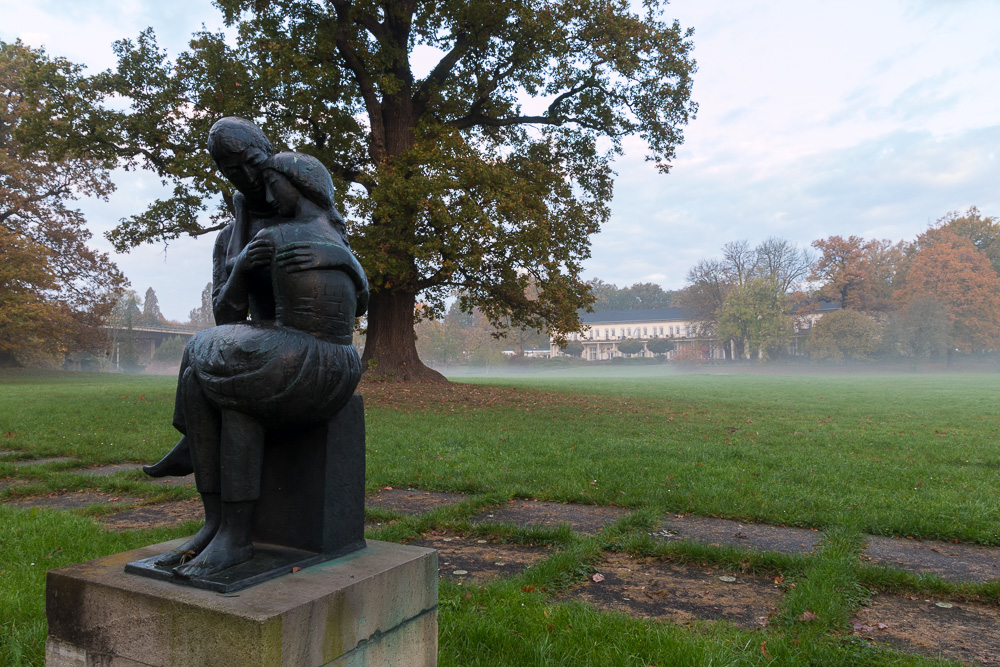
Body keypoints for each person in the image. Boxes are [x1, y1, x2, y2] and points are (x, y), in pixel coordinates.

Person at [161, 151, 367, 577]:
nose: (264, 191)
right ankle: (217, 526)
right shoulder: (332, 234)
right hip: (334, 360)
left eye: (271, 181)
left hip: (307, 358)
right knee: (206, 373)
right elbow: (361, 299)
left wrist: (344, 261)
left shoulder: (281, 236)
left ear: (300, 185)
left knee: (213, 362)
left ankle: (230, 532)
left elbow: (359, 301)